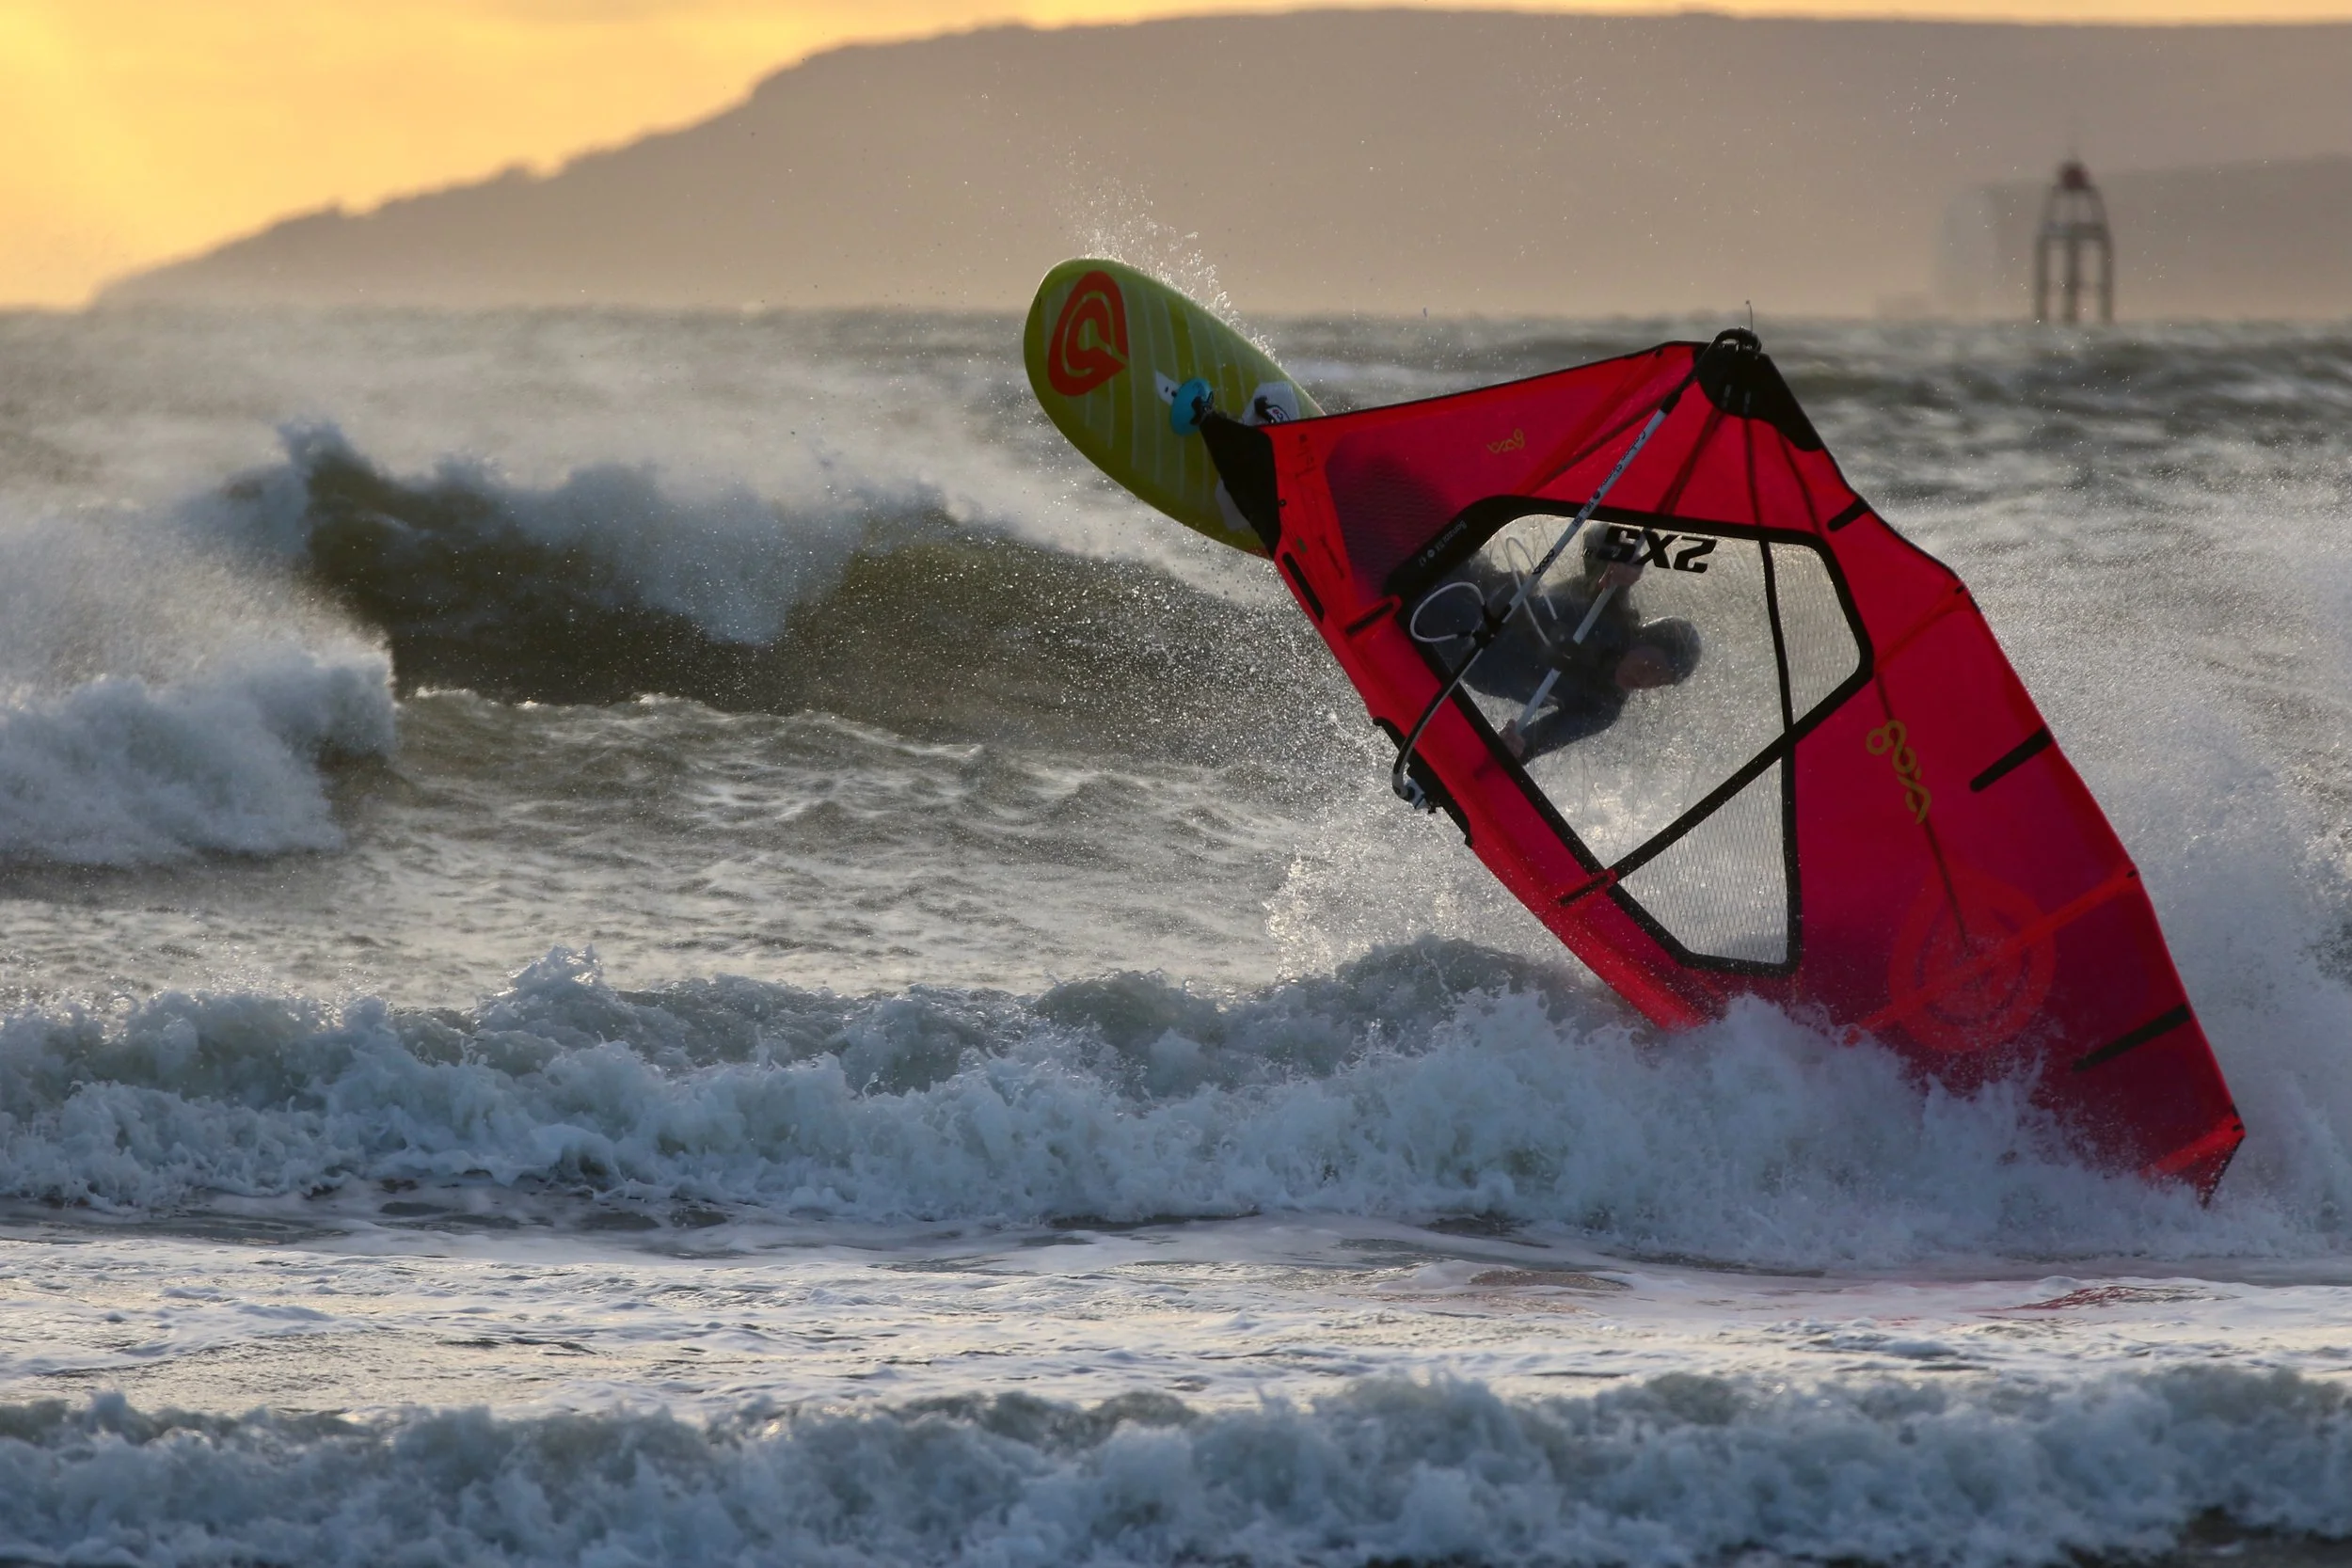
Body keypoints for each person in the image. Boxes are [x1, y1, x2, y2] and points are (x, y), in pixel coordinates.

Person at [1424, 550, 1703, 764]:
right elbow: (1598, 542)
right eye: (1652, 665)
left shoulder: (1603, 707)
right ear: (1642, 639)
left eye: (1659, 681)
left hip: (1467, 653)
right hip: (1481, 582)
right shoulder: (1610, 604)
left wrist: (1516, 749)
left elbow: (1535, 743)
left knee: (1438, 607)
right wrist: (1625, 559)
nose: (1646, 679)